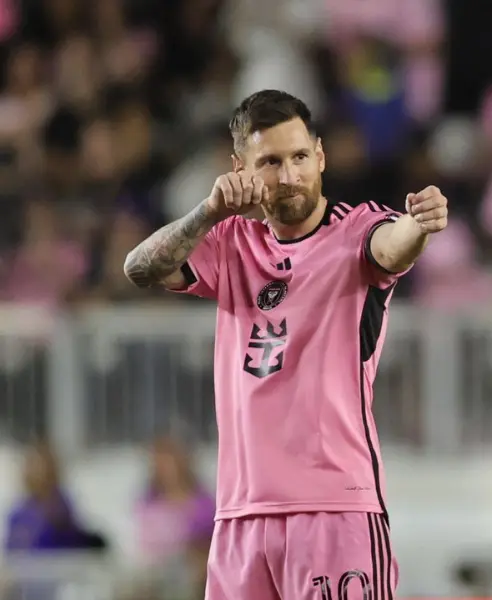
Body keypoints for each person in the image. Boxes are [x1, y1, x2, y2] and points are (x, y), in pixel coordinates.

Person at [122, 89, 449, 600]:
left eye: (299, 157)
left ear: (320, 155)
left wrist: (419, 224)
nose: (290, 174)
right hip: (240, 518)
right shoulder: (231, 242)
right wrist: (208, 211)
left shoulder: (357, 230)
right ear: (241, 170)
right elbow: (140, 268)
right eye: (271, 162)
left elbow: (392, 247)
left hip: (334, 509)